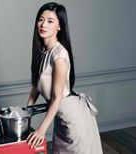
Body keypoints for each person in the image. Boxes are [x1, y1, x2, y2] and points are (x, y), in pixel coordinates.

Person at [26, 2, 103, 154]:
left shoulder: (59, 55)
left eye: (50, 21)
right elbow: (35, 86)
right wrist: (25, 115)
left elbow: (56, 99)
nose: (43, 24)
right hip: (60, 118)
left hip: (74, 119)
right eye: (41, 19)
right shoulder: (42, 52)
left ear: (59, 26)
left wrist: (41, 130)